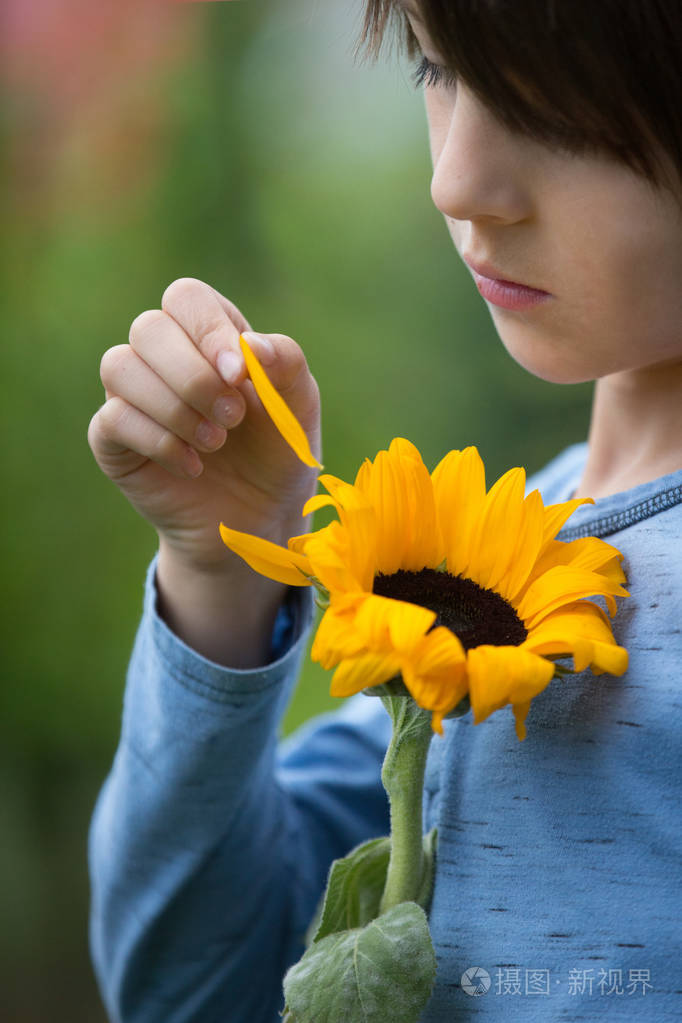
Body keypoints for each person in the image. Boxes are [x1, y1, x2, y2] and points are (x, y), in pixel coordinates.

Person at [87, 1, 682, 1019]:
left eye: (563, 113)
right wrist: (221, 570)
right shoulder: (507, 546)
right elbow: (202, 982)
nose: (456, 180)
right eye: (434, 71)